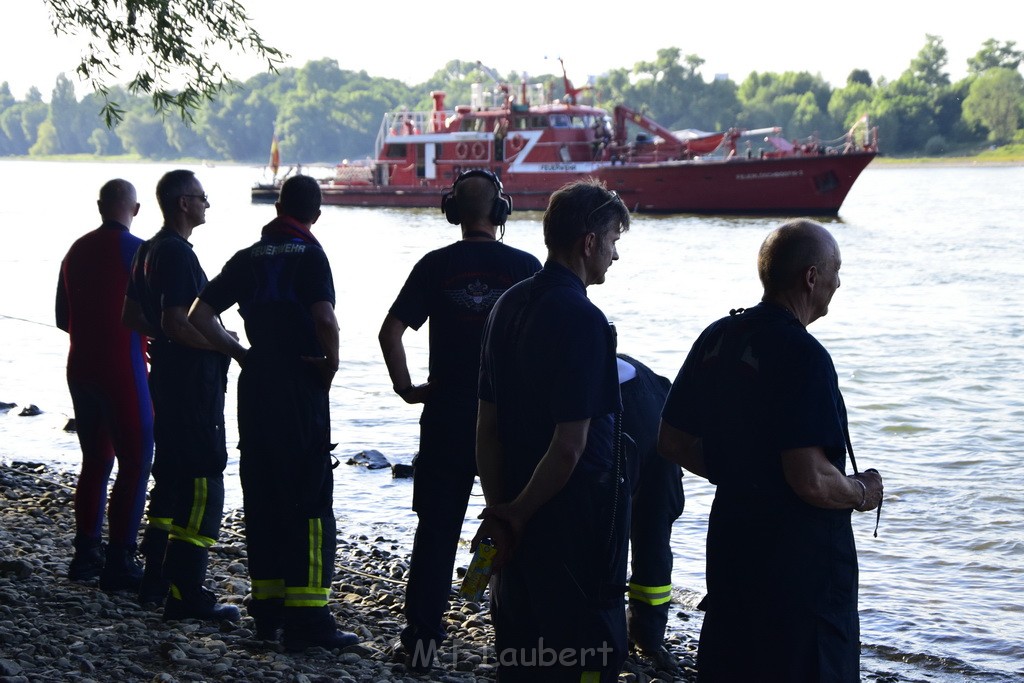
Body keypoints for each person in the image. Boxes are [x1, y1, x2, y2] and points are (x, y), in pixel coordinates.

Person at [657, 219, 884, 682]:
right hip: (800, 575)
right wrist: (863, 492)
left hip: (732, 548)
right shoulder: (803, 355)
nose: (839, 283)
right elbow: (811, 480)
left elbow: (672, 441)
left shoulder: (717, 337)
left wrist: (740, 473)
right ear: (811, 277)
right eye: (836, 271)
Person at [378, 169, 541, 670]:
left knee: (437, 530)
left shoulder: (434, 266)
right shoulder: (526, 267)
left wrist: (407, 389)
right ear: (500, 213)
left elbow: (390, 331)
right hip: (506, 425)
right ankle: (508, 637)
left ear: (453, 213)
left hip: (446, 417)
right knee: (507, 521)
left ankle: (422, 642)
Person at [189, 175, 359, 651]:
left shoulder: (246, 257)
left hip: (257, 385)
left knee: (262, 493)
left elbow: (198, 315)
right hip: (300, 385)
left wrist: (238, 352)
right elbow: (325, 318)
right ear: (316, 214)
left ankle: (266, 616)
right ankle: (308, 621)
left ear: (278, 205)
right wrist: (331, 364)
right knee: (307, 497)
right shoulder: (311, 254)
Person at [474, 178, 630, 682]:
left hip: (515, 515)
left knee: (521, 655)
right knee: (584, 658)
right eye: (612, 242)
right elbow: (570, 447)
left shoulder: (506, 306)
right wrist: (517, 515)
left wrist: (503, 510)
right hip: (572, 528)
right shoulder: (583, 320)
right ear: (589, 242)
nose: (614, 256)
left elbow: (487, 429)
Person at [122, 169, 239, 622]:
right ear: (183, 203)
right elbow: (175, 321)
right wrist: (228, 345)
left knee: (169, 476)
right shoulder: (177, 254)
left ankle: (155, 579)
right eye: (202, 197)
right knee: (203, 478)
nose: (208, 204)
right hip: (193, 389)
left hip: (165, 381)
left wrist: (173, 342)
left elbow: (132, 315)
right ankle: (187, 591)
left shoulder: (148, 250)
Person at [55, 179, 154, 591]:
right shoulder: (139, 251)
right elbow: (160, 316)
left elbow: (63, 317)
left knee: (95, 460)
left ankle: (85, 554)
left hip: (80, 366)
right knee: (136, 462)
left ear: (100, 206)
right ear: (136, 209)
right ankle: (121, 561)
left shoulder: (74, 250)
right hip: (121, 366)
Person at [616, 354, 684, 675]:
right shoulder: (643, 373)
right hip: (659, 416)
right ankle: (649, 638)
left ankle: (607, 631)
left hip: (617, 418)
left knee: (606, 533)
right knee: (654, 537)